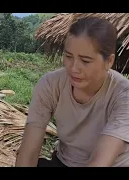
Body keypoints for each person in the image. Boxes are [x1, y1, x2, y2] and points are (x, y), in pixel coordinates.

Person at [15, 17, 129, 167]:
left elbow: (101, 162)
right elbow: (28, 153)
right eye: (68, 56)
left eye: (85, 61)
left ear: (109, 61)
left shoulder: (123, 95)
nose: (74, 68)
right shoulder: (50, 85)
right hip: (65, 162)